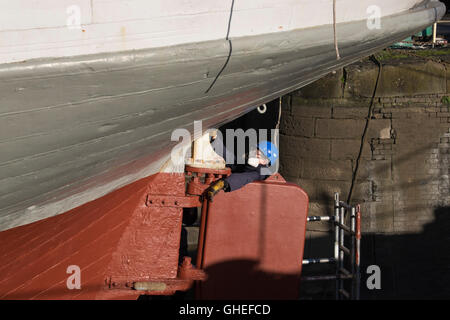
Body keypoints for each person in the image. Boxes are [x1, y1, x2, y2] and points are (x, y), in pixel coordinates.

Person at [205, 138, 279, 201]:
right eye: (255, 150)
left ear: (265, 162)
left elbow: (243, 178)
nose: (253, 153)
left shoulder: (261, 173)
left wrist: (224, 183)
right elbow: (232, 160)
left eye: (259, 155)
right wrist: (216, 141)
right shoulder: (247, 165)